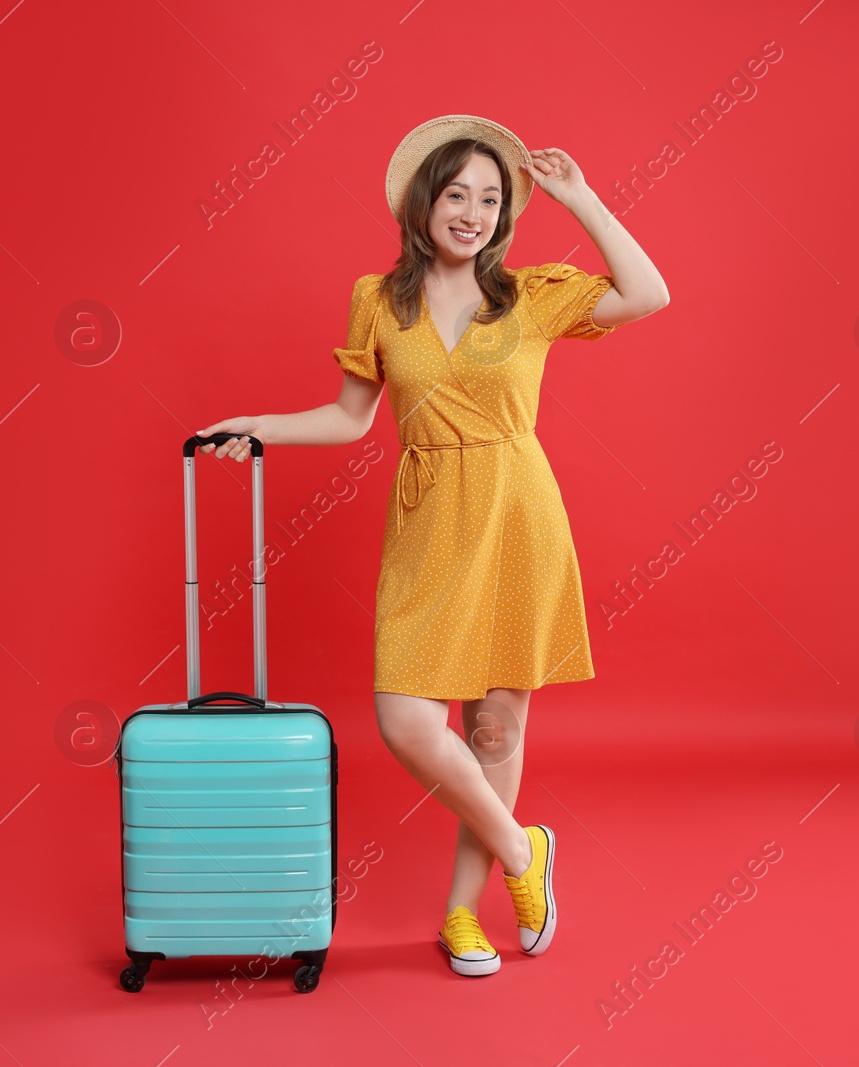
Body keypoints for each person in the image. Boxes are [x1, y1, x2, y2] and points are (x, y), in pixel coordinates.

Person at [195, 114, 668, 977]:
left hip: (517, 508)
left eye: (491, 199)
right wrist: (260, 426)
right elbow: (350, 416)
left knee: (495, 724)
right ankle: (527, 855)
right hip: (429, 516)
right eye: (458, 194)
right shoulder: (380, 298)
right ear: (424, 202)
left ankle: (463, 913)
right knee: (408, 721)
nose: (474, 213)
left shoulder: (529, 295)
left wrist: (584, 198)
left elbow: (648, 294)